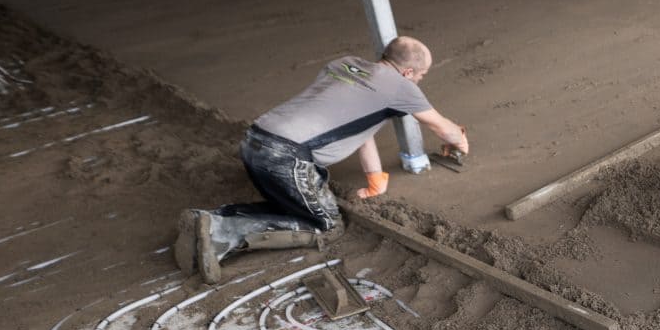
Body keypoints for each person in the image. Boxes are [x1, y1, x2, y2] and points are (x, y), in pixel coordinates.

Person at [174, 37, 468, 283]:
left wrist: (375, 178)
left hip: (255, 140)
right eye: (421, 75)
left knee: (290, 205)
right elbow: (441, 127)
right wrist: (459, 140)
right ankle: (217, 228)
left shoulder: (345, 64)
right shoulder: (402, 87)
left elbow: (358, 128)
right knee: (326, 224)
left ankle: (209, 221)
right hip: (286, 156)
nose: (420, 81)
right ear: (408, 73)